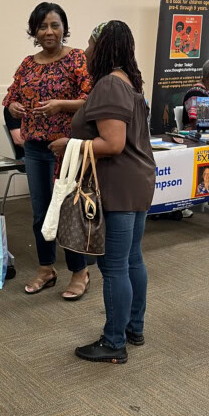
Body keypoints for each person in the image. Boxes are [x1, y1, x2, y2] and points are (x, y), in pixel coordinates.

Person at [49, 20, 155, 364]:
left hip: (119, 185)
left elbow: (112, 142)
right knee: (132, 259)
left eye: (90, 45)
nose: (86, 51)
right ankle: (132, 328)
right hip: (136, 182)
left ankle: (114, 342)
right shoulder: (127, 82)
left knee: (113, 267)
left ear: (102, 46)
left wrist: (70, 145)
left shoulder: (109, 83)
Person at [3, 1, 93, 299]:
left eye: (55, 25)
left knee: (69, 212)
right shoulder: (28, 63)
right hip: (35, 148)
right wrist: (13, 107)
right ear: (34, 31)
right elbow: (10, 98)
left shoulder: (77, 59)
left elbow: (91, 100)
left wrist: (60, 106)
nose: (49, 31)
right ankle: (46, 268)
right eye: (43, 26)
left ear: (64, 29)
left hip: (67, 148)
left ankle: (80, 272)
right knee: (41, 213)